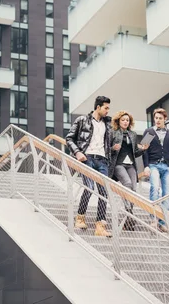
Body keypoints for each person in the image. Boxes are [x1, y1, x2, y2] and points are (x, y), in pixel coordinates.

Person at [65, 96, 113, 237]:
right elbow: (69, 138)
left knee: (104, 193)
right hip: (87, 158)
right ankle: (80, 218)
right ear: (98, 107)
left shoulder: (108, 124)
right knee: (89, 187)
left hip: (103, 160)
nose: (108, 111)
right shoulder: (82, 120)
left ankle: (100, 226)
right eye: (106, 108)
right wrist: (78, 152)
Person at [142, 108, 169, 232]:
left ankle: (162, 221)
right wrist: (146, 166)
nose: (158, 120)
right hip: (153, 165)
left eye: (160, 118)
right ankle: (154, 219)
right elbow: (144, 150)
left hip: (168, 167)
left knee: (167, 194)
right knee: (154, 188)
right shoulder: (149, 132)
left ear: (165, 119)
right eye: (156, 118)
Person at [110, 111, 149, 231]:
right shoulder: (113, 133)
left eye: (127, 120)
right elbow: (106, 149)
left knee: (133, 189)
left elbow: (134, 153)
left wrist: (142, 149)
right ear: (118, 121)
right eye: (123, 120)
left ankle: (129, 217)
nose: (125, 122)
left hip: (131, 165)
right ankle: (130, 214)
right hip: (118, 164)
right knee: (126, 183)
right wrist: (112, 148)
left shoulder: (133, 134)